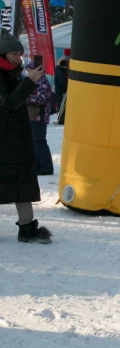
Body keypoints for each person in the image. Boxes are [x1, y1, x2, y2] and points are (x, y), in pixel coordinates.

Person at [0, 29, 52, 244]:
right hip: (4, 139)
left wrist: (32, 80)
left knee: (24, 184)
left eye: (19, 54)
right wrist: (29, 81)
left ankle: (27, 228)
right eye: (14, 53)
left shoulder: (16, 74)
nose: (18, 58)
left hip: (18, 139)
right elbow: (9, 103)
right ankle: (27, 228)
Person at [26, 62, 54, 175]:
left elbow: (40, 99)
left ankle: (46, 168)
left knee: (39, 142)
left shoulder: (43, 82)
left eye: (30, 70)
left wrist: (24, 97)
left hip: (40, 117)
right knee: (34, 142)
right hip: (34, 116)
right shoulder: (35, 82)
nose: (29, 73)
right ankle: (38, 166)